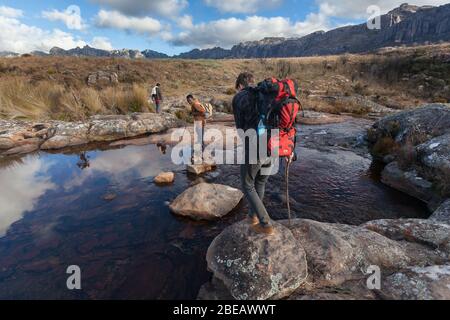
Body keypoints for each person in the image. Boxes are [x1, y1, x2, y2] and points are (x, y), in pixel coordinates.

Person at [232, 72, 275, 235]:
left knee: (247, 184)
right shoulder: (264, 94)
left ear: (240, 85)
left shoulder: (240, 97)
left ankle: (265, 224)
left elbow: (240, 128)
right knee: (261, 182)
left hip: (255, 145)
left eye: (237, 89)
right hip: (273, 144)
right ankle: (252, 216)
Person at [186, 94, 207, 163]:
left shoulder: (195, 104)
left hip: (200, 123)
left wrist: (193, 113)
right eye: (188, 101)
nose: (189, 102)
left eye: (189, 100)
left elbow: (203, 111)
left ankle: (201, 155)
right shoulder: (195, 104)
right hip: (199, 123)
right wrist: (193, 112)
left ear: (192, 99)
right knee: (200, 139)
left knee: (200, 139)